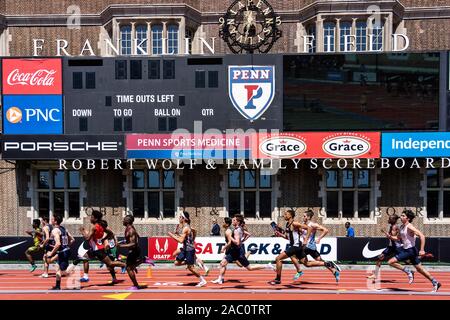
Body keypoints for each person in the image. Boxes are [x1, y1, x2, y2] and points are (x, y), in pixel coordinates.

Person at [387, 210, 441, 292]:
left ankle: (409, 271)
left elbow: (422, 236)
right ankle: (435, 282)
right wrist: (390, 237)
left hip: (410, 250)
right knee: (420, 269)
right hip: (409, 250)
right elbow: (398, 238)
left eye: (403, 216)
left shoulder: (410, 227)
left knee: (390, 262)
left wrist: (422, 250)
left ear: (407, 218)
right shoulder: (401, 227)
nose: (401, 217)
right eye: (401, 215)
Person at [212, 214, 274, 285]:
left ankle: (267, 266)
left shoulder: (236, 231)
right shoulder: (239, 228)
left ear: (238, 222)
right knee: (223, 263)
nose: (233, 221)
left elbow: (237, 243)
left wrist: (230, 237)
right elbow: (248, 235)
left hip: (238, 252)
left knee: (249, 268)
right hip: (234, 251)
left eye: (234, 220)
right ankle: (220, 279)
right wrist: (242, 240)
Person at [79, 210, 126, 285]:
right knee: (85, 257)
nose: (90, 218)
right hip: (98, 248)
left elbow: (87, 238)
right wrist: (104, 239)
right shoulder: (101, 226)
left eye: (92, 217)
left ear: (96, 219)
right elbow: (111, 233)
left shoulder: (94, 227)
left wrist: (82, 231)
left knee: (110, 263)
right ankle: (114, 278)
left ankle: (125, 265)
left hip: (97, 249)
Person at [168, 212, 207, 287]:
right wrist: (178, 235)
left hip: (189, 250)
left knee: (190, 268)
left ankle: (202, 280)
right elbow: (189, 236)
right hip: (186, 249)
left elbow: (181, 241)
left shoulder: (185, 228)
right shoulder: (186, 227)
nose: (179, 218)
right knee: (176, 263)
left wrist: (172, 235)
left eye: (180, 217)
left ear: (184, 218)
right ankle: (189, 262)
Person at [302, 210, 341, 282]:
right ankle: (334, 271)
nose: (303, 217)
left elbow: (325, 230)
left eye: (304, 216)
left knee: (301, 259)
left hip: (308, 246)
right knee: (320, 260)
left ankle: (298, 271)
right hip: (310, 247)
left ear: (308, 217)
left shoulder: (312, 225)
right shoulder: (303, 224)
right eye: (303, 216)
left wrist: (319, 238)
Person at [367, 214, 402, 281]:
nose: (388, 220)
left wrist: (384, 232)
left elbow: (391, 237)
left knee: (408, 260)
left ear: (394, 220)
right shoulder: (392, 226)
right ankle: (375, 275)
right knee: (380, 257)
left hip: (396, 247)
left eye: (390, 219)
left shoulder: (395, 227)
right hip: (391, 247)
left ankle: (408, 271)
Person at [117, 215, 148, 290]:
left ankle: (136, 286)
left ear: (127, 221)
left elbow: (133, 243)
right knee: (130, 267)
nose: (122, 221)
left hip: (134, 251)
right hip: (133, 250)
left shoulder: (131, 230)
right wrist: (125, 240)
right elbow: (137, 236)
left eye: (124, 220)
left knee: (129, 268)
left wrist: (121, 245)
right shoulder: (129, 228)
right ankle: (143, 260)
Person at [45, 215, 75, 290]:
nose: (50, 220)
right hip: (65, 251)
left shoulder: (55, 230)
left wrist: (51, 253)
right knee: (57, 268)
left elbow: (58, 244)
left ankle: (75, 265)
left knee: (64, 271)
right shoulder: (64, 229)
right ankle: (57, 286)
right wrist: (66, 246)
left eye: (52, 219)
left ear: (55, 221)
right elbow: (73, 239)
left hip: (63, 252)